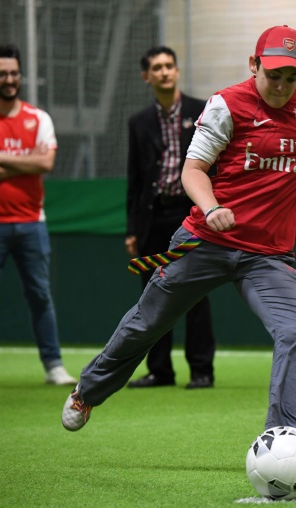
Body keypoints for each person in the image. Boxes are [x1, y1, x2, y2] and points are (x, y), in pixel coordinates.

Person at [61, 25, 296, 466]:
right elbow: (193, 170)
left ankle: (292, 436)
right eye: (273, 75)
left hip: (268, 255)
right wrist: (212, 206)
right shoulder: (227, 105)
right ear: (254, 65)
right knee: (147, 322)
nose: (281, 86)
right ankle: (88, 391)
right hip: (205, 240)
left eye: (290, 77)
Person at [0, 44, 77, 389]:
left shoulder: (39, 118)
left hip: (31, 222)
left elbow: (46, 163)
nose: (9, 79)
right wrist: (25, 162)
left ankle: (54, 365)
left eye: (14, 73)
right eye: (2, 74)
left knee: (40, 295)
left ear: (20, 75)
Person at [125, 46, 216, 390]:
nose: (164, 72)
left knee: (195, 292)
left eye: (169, 66)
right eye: (156, 68)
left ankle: (202, 370)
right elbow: (134, 181)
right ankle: (160, 370)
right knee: (154, 295)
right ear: (146, 76)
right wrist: (132, 230)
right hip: (152, 217)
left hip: (191, 213)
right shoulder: (138, 122)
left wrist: (211, 208)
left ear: (176, 71)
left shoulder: (201, 111)